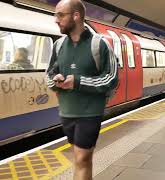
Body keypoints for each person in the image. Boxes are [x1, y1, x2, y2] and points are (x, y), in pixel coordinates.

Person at [46, 0, 118, 179]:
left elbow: (111, 78)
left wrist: (77, 82)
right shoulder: (59, 45)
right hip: (67, 111)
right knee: (79, 159)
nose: (56, 20)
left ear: (76, 16)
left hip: (90, 112)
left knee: (83, 159)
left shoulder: (99, 44)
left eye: (61, 15)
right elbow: (49, 74)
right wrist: (55, 81)